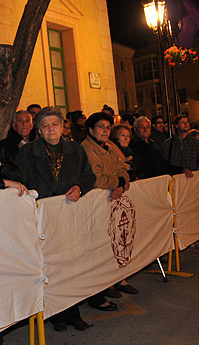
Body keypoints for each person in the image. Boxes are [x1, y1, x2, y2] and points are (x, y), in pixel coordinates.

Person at [14, 107, 95, 331]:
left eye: (55, 124)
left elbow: (89, 176)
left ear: (62, 127)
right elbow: (18, 180)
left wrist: (80, 186)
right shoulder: (27, 153)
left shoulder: (76, 150)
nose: (51, 129)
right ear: (39, 130)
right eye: (45, 125)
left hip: (69, 217)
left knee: (71, 265)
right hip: (42, 219)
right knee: (49, 267)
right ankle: (55, 314)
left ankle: (73, 312)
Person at [82, 112, 137, 305]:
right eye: (100, 127)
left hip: (112, 202)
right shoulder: (88, 148)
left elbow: (124, 171)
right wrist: (117, 183)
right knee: (98, 247)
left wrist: (121, 185)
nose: (105, 131)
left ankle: (115, 280)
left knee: (114, 242)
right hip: (95, 206)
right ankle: (99, 290)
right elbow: (97, 178)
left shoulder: (110, 148)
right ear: (91, 130)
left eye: (107, 127)